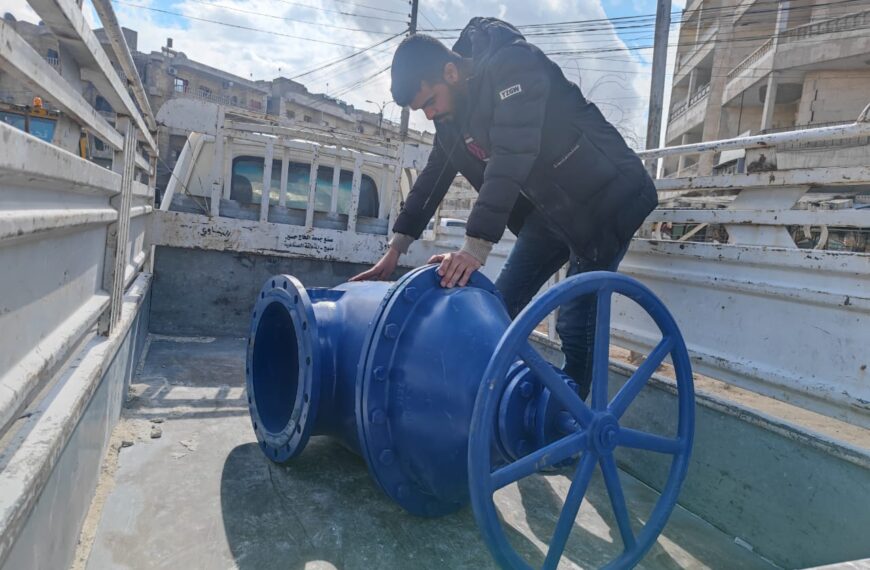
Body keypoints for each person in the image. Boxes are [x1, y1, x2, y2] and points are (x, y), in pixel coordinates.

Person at [351, 17, 658, 400]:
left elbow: (513, 153)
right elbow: (432, 179)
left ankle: (571, 420)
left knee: (576, 322)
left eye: (429, 102)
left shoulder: (514, 64)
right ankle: (489, 402)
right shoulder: (452, 116)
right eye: (422, 109)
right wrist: (395, 250)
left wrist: (475, 245)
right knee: (496, 307)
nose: (429, 114)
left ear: (450, 71)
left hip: (608, 196)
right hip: (552, 209)